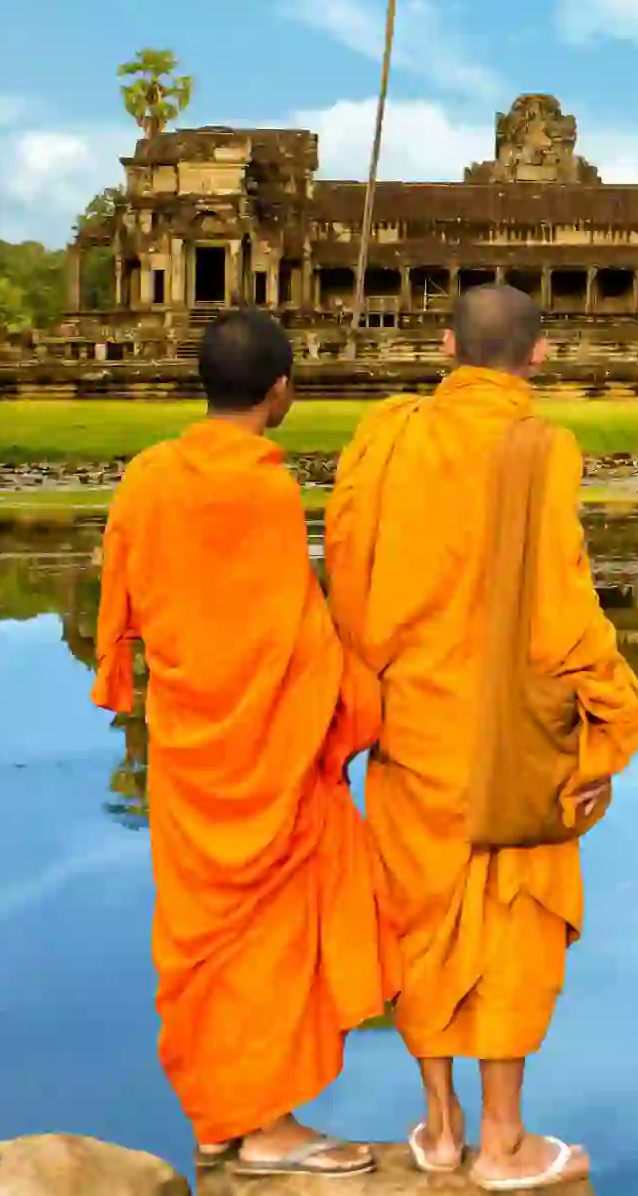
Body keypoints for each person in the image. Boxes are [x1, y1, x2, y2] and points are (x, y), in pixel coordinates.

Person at [326, 285, 638, 1189]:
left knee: (418, 910)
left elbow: (347, 570)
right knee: (510, 914)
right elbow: (563, 608)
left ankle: (439, 1121)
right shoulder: (540, 448)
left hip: (409, 720)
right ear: (538, 357)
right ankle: (503, 1138)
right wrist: (612, 725)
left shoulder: (386, 437)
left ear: (444, 345)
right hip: (509, 734)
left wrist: (363, 687)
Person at [91, 307, 391, 1174]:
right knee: (272, 930)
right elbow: (292, 631)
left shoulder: (149, 474)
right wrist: (358, 700)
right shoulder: (263, 486)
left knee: (206, 933)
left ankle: (224, 1114)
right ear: (281, 390)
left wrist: (125, 674)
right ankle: (263, 1123)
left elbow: (126, 594)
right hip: (264, 752)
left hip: (188, 744)